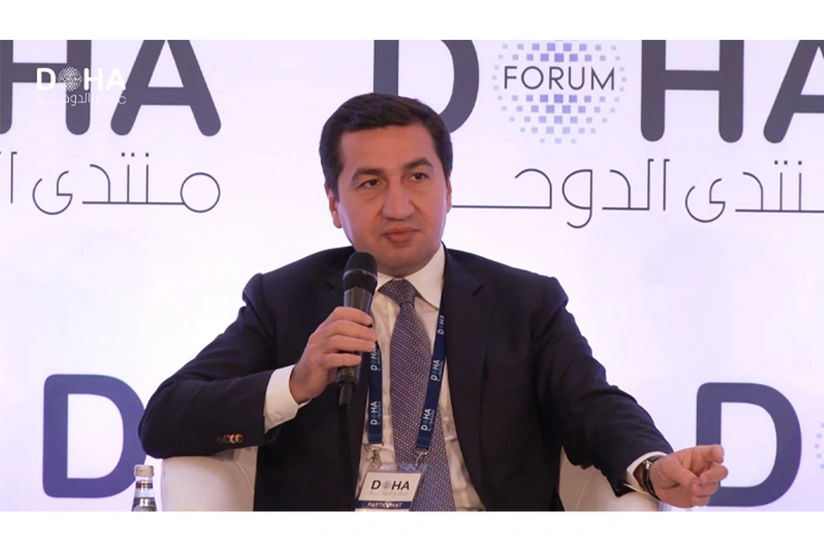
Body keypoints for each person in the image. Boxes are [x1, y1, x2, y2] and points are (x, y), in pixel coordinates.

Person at [138, 92, 728, 511]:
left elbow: (592, 404)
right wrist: (294, 382)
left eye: (417, 177)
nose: (398, 206)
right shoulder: (285, 299)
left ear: (448, 188)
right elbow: (164, 419)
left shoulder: (524, 302)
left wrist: (652, 467)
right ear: (334, 204)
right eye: (370, 183)